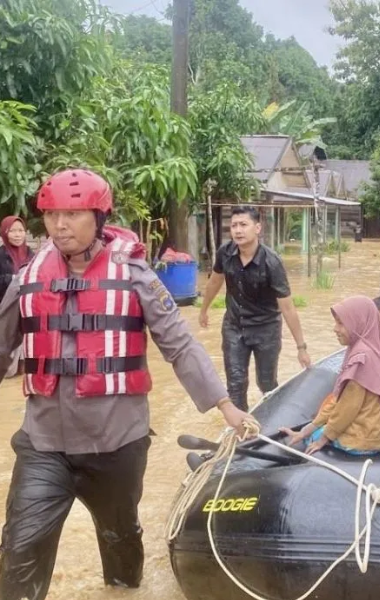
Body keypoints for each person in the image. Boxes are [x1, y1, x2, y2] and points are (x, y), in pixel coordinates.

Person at [0, 169, 254, 600]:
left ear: (98, 217)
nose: (59, 225)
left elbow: (180, 343)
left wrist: (225, 405)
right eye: (52, 214)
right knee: (18, 552)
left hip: (116, 445)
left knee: (120, 551)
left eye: (73, 213)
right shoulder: (29, 277)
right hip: (45, 445)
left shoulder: (135, 274)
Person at [200, 206, 311, 411]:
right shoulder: (225, 252)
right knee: (235, 384)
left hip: (266, 329)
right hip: (235, 326)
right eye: (234, 225)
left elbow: (287, 307)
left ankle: (272, 424)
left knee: (267, 383)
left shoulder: (271, 262)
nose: (238, 230)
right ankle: (242, 431)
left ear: (257, 228)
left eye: (244, 225)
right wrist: (203, 309)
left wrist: (301, 347)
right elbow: (215, 282)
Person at [280, 296, 380, 456]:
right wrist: (308, 428)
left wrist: (322, 439)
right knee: (311, 433)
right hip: (373, 434)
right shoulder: (370, 348)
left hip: (362, 440)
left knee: (311, 440)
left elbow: (346, 408)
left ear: (358, 323)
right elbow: (339, 401)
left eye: (341, 323)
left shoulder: (362, 360)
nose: (335, 329)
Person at [0, 216, 34, 377]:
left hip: (26, 308)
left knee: (25, 354)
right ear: (4, 233)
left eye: (20, 230)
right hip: (6, 307)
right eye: (12, 231)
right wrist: (13, 279)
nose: (17, 234)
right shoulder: (1, 255)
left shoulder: (31, 254)